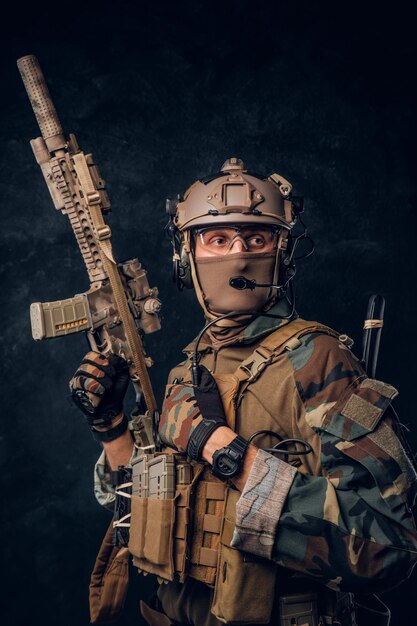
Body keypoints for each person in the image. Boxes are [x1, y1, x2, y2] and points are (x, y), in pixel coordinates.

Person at [70, 158, 417, 626]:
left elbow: (388, 548)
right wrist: (111, 430)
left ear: (283, 251)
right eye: (217, 238)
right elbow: (135, 512)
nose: (238, 253)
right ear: (186, 254)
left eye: (257, 238)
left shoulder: (318, 360)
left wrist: (227, 453)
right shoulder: (186, 368)